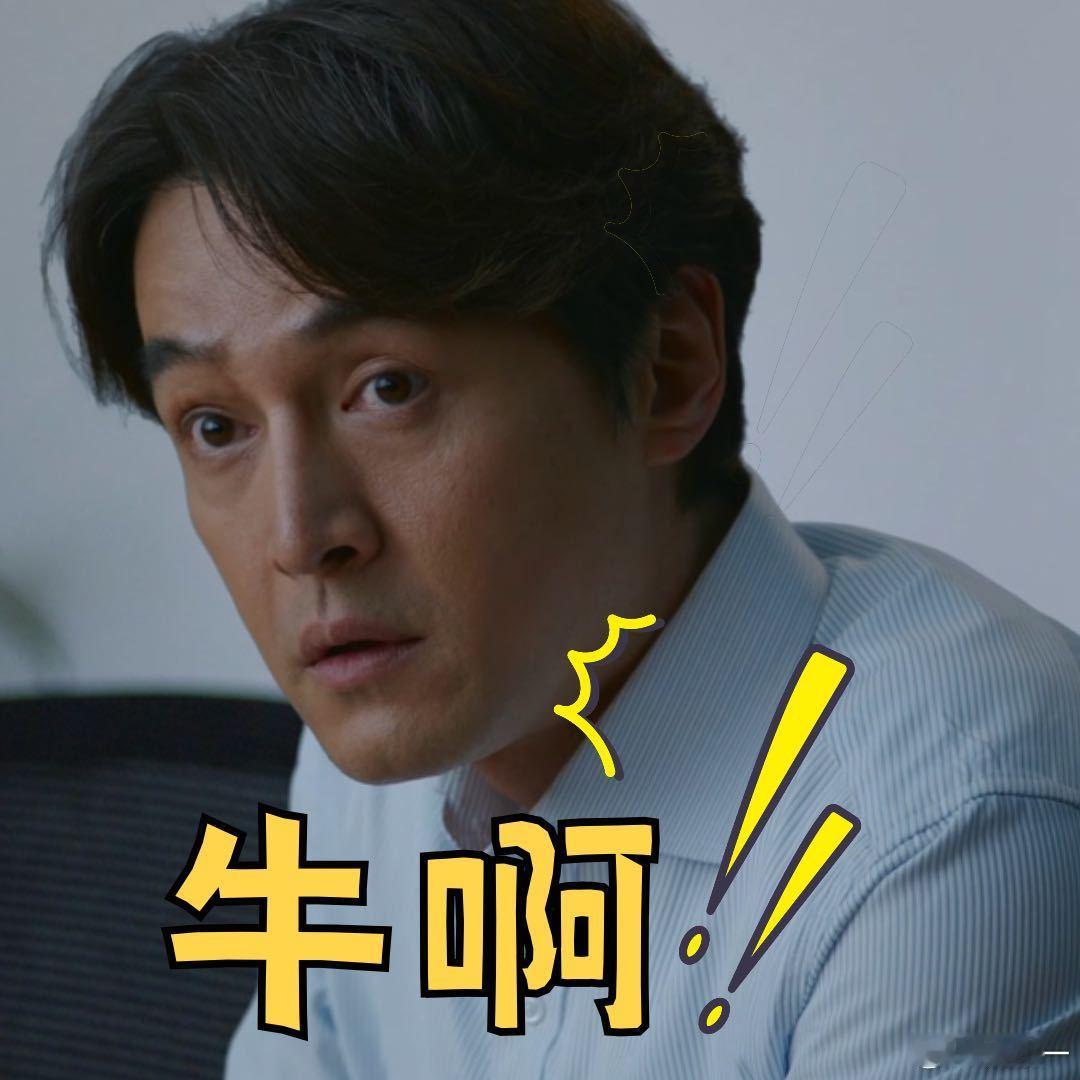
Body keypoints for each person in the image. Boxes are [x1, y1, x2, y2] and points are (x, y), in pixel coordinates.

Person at [42, 0, 1079, 1076]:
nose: (301, 539)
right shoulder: (379, 732)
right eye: (216, 427)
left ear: (665, 368)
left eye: (387, 388)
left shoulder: (956, 828)